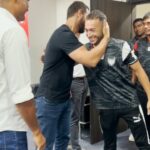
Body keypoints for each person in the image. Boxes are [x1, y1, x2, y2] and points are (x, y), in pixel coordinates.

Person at [35, 1, 110, 150]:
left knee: (63, 139)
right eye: (86, 16)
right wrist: (106, 37)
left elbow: (65, 60)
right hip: (49, 100)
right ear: (80, 13)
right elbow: (91, 61)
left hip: (63, 98)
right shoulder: (63, 34)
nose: (87, 23)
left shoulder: (68, 37)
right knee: (45, 143)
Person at [84, 10, 150, 150]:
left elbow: (139, 71)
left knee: (144, 144)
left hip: (129, 103)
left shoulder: (121, 45)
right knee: (109, 146)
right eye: (86, 30)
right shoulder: (84, 50)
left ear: (104, 27)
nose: (89, 34)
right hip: (105, 108)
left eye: (92, 30)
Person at [0, 0, 45, 150]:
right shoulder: (12, 30)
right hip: (8, 129)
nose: (28, 5)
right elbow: (21, 94)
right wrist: (37, 132)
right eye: (27, 0)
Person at [134, 12, 150, 140]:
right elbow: (134, 66)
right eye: (144, 24)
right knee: (147, 119)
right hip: (142, 90)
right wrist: (132, 83)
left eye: (149, 23)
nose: (145, 26)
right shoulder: (138, 43)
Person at [129, 17, 145, 142]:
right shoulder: (132, 43)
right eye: (135, 26)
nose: (137, 28)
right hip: (138, 84)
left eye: (140, 25)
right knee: (139, 110)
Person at [69, 64, 88, 150]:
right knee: (74, 117)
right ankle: (75, 147)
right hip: (74, 82)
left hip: (84, 80)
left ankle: (70, 144)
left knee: (77, 115)